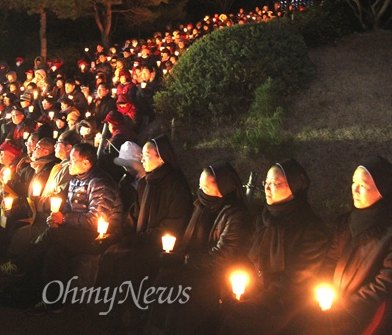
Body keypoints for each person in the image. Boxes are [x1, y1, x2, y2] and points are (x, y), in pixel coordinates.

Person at [220, 158, 329, 334]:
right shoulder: (263, 218)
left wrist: (256, 302)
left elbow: (296, 279)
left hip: (287, 303)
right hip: (256, 291)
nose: (267, 188)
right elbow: (247, 256)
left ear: (294, 187)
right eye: (266, 182)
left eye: (275, 183)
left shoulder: (310, 228)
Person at [97, 134, 193, 331]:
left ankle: (132, 315)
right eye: (143, 155)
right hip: (140, 240)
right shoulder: (145, 183)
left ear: (162, 158)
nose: (142, 159)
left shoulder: (176, 185)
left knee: (128, 263)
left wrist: (138, 240)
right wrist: (117, 235)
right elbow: (133, 216)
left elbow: (173, 225)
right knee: (110, 254)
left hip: (161, 247)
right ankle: (107, 310)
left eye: (147, 156)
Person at [16, 143, 122, 315]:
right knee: (53, 252)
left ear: (87, 163)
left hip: (97, 236)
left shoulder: (100, 183)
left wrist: (64, 219)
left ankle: (20, 266)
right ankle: (51, 299)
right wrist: (58, 216)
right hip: (77, 231)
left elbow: (95, 219)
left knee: (52, 235)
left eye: (73, 160)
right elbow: (67, 206)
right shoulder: (76, 179)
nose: (69, 163)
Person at [148, 161, 253, 334]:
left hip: (221, 272)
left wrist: (185, 260)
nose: (200, 189)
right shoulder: (202, 205)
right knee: (165, 278)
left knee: (186, 294)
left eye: (205, 186)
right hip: (197, 264)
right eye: (199, 184)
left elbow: (225, 255)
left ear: (222, 188)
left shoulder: (236, 216)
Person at [311, 156, 392, 334]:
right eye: (353, 182)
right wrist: (323, 289)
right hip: (335, 306)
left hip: (369, 315)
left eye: (362, 185)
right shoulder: (347, 222)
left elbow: (385, 282)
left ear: (383, 190)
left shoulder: (387, 230)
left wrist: (347, 306)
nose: (354, 190)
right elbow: (331, 258)